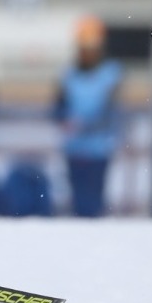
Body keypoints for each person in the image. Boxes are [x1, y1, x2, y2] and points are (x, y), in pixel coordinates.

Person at [53, 15, 122, 218]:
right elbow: (57, 108)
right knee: (77, 201)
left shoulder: (110, 74)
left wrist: (83, 124)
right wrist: (65, 121)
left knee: (93, 201)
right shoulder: (68, 75)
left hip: (98, 149)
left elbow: (109, 111)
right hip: (74, 149)